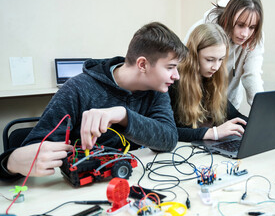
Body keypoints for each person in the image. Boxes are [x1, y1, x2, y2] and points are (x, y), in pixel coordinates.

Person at [0, 22, 188, 181]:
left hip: (133, 183)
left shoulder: (157, 90)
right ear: (142, 64)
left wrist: (123, 115)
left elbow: (168, 138)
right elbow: (32, 151)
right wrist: (11, 161)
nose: (176, 76)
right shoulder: (77, 89)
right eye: (170, 67)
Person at [184, 0, 264, 111]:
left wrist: (262, 110)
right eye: (240, 25)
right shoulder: (202, 31)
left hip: (228, 105)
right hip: (196, 104)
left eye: (252, 27)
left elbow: (252, 74)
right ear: (228, 19)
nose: (245, 34)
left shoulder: (255, 36)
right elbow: (185, 70)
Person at [169, 23, 247, 142]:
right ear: (194, 56)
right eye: (210, 60)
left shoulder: (212, 80)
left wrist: (257, 125)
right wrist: (213, 133)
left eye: (221, 59)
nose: (216, 67)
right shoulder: (173, 81)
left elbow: (235, 116)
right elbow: (167, 132)